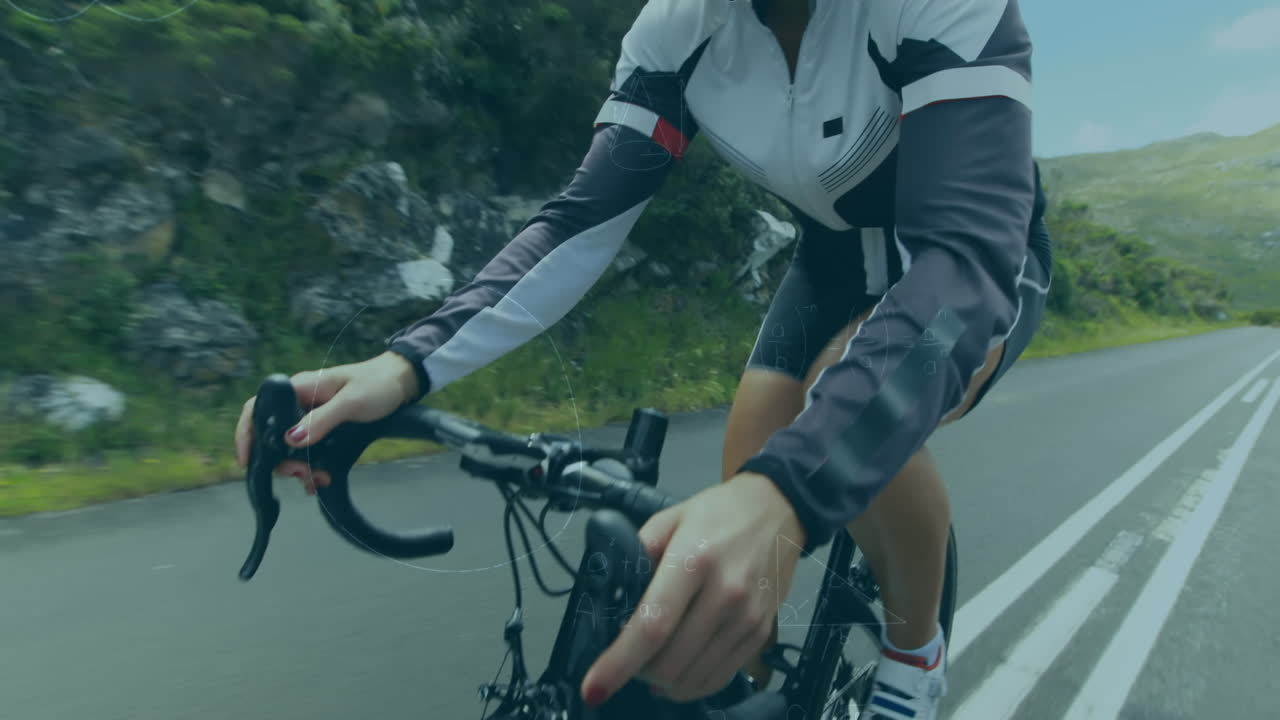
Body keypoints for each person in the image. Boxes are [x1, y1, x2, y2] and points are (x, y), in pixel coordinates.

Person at [235, 0, 1052, 717]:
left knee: (819, 431)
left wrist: (790, 493)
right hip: (833, 258)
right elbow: (578, 223)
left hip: (971, 267)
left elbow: (961, 273)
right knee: (745, 479)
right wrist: (403, 367)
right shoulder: (676, 30)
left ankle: (915, 666)